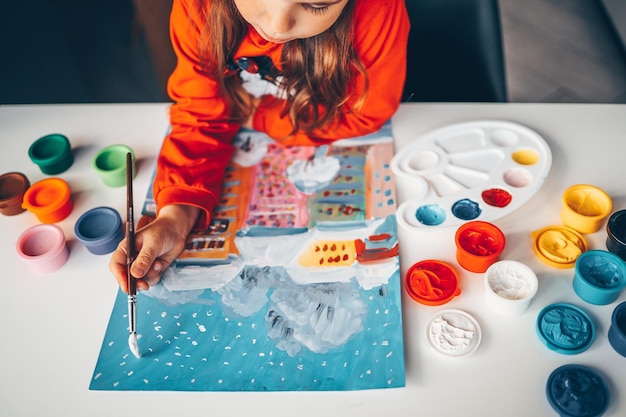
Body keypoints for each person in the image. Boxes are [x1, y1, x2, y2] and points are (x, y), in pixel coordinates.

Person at [110, 0, 409, 293]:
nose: (278, 26)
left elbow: (366, 112)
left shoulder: (379, 8)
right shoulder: (198, 6)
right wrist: (176, 216)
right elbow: (200, 118)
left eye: (317, 5)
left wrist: (257, 118)